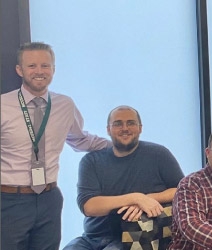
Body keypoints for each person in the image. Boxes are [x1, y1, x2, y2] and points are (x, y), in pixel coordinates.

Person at [0, 42, 111, 249]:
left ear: (53, 69)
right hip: (9, 200)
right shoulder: (3, 106)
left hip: (49, 198)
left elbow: (81, 139)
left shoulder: (64, 105)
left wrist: (117, 146)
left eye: (45, 65)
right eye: (32, 66)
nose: (39, 71)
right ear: (19, 70)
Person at [63, 106, 185, 249]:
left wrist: (149, 198)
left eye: (131, 123)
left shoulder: (159, 154)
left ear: (140, 128)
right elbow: (89, 207)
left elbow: (181, 190)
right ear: (108, 129)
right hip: (92, 238)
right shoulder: (91, 161)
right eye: (118, 124)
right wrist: (135, 198)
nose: (125, 128)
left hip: (134, 238)